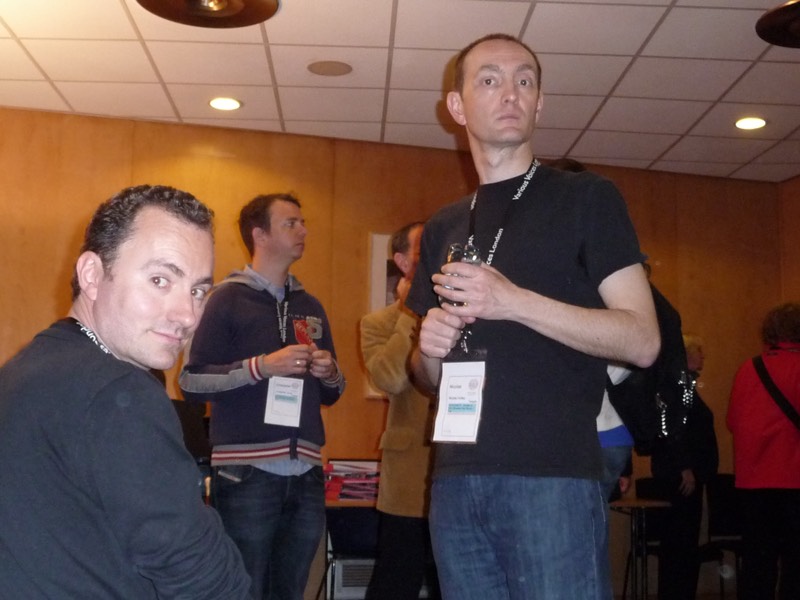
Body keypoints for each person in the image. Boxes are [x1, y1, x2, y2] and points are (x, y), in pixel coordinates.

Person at [407, 33, 660, 600]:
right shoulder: (444, 225)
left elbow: (643, 340)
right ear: (456, 107)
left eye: (524, 81)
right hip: (455, 479)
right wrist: (429, 348)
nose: (511, 93)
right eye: (490, 80)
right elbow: (427, 379)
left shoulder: (586, 198)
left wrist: (512, 302)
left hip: (553, 479)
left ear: (539, 103)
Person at [0, 185, 251, 598]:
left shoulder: (26, 369)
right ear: (92, 275)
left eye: (197, 291)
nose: (188, 315)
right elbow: (204, 578)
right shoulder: (118, 394)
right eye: (160, 280)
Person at [180, 193, 344, 600]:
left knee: (290, 591)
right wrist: (262, 367)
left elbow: (334, 393)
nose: (303, 230)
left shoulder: (311, 305)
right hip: (246, 472)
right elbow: (190, 382)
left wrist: (330, 373)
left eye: (303, 223)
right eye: (291, 223)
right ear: (260, 235)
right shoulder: (224, 299)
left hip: (306, 471)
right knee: (244, 589)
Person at [360, 222, 440, 600]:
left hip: (462, 469)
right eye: (423, 250)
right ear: (403, 262)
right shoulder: (378, 323)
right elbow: (390, 378)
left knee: (454, 583)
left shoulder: (464, 314)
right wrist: (412, 311)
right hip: (409, 477)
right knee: (396, 583)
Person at [727, 303, 800, 600]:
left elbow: (733, 421)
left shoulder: (749, 368)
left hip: (753, 482)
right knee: (795, 562)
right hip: (794, 479)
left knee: (757, 562)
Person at [647, 333, 719, 600]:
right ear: (686, 354)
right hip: (680, 477)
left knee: (681, 543)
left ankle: (678, 592)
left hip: (681, 473)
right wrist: (685, 467)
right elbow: (673, 429)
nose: (703, 356)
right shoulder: (680, 385)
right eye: (699, 350)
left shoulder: (681, 384)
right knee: (681, 543)